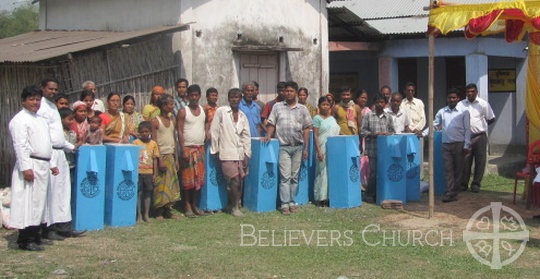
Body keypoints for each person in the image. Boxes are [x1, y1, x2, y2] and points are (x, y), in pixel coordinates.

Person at [9, 85, 59, 251]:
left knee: (40, 203)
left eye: (37, 99)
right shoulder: (19, 120)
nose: (35, 102)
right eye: (31, 99)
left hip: (42, 164)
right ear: (24, 101)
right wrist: (25, 167)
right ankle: (25, 239)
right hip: (31, 164)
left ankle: (37, 234)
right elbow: (20, 145)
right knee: (29, 203)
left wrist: (51, 164)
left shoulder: (40, 120)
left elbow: (46, 144)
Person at [37, 77, 83, 240]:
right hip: (49, 153)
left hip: (60, 152)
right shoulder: (40, 107)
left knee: (63, 191)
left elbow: (57, 134)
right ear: (42, 88)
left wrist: (71, 147)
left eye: (55, 89)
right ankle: (49, 229)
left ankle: (65, 227)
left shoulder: (52, 106)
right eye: (50, 89)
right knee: (52, 192)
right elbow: (43, 135)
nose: (53, 92)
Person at [263, 81, 312, 215]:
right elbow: (271, 123)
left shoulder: (303, 109)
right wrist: (268, 135)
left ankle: (292, 201)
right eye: (286, 91)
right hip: (283, 146)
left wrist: (306, 148)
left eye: (291, 91)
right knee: (285, 176)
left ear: (296, 92)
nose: (288, 93)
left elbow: (306, 129)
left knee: (294, 176)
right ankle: (284, 204)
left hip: (298, 146)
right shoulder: (277, 107)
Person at [210, 88, 252, 217]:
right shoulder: (222, 112)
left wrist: (247, 154)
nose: (234, 100)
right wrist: (215, 149)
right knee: (234, 180)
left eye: (237, 97)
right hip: (226, 151)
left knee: (240, 180)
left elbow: (246, 136)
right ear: (228, 99)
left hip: (239, 152)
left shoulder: (242, 116)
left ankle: (234, 204)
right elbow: (214, 131)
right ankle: (234, 208)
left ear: (241, 99)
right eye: (232, 97)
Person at [425, 88, 471, 202]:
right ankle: (450, 192)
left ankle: (455, 191)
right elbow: (434, 124)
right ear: (447, 99)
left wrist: (466, 145)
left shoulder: (464, 111)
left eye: (454, 98)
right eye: (450, 98)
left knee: (458, 169)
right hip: (446, 144)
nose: (451, 100)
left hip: (459, 144)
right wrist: (422, 133)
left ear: (458, 98)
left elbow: (468, 129)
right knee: (448, 169)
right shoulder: (442, 111)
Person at [457, 83, 496, 193]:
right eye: (468, 92)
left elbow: (491, 118)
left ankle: (476, 183)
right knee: (465, 161)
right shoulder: (461, 105)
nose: (470, 93)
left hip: (479, 136)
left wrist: (480, 126)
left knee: (480, 161)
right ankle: (464, 184)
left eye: (472, 91)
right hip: (466, 137)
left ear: (476, 92)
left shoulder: (483, 104)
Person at [177, 84, 206, 217]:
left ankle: (195, 205)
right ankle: (187, 205)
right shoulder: (183, 111)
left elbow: (205, 126)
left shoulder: (203, 110)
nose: (194, 98)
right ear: (188, 97)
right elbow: (180, 131)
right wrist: (183, 149)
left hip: (199, 148)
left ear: (199, 96)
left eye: (196, 95)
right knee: (187, 180)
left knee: (198, 180)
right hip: (188, 149)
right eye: (192, 95)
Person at [361, 93, 395, 203]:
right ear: (374, 103)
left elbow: (392, 131)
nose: (379, 104)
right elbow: (362, 131)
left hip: (385, 150)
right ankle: (370, 194)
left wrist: (387, 134)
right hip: (373, 149)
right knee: (373, 173)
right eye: (377, 102)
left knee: (384, 172)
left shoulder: (389, 117)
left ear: (385, 104)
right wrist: (373, 134)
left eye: (382, 102)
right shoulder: (368, 115)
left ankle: (382, 193)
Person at [152, 94, 181, 220]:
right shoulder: (155, 121)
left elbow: (174, 140)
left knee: (170, 184)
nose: (172, 106)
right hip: (161, 155)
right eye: (170, 104)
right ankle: (158, 211)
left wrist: (176, 158)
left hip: (170, 155)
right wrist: (159, 159)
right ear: (163, 106)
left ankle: (168, 210)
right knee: (160, 185)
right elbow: (154, 141)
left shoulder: (172, 120)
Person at [312, 96, 340, 207]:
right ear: (319, 106)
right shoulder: (317, 118)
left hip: (332, 149)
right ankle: (319, 198)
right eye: (323, 104)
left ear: (330, 106)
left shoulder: (332, 118)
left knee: (330, 172)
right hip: (321, 147)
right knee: (321, 173)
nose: (325, 107)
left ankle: (329, 197)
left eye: (327, 105)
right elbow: (315, 135)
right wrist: (318, 150)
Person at [133, 121, 160, 222]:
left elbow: (155, 159)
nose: (144, 133)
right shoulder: (135, 143)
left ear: (150, 132)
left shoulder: (153, 144)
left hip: (149, 172)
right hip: (138, 172)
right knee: (139, 193)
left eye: (146, 131)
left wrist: (155, 173)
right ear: (139, 132)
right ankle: (139, 214)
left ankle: (146, 214)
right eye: (142, 132)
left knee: (148, 193)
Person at [400, 82, 426, 178]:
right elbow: (402, 119)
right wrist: (409, 130)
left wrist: (417, 129)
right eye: (408, 90)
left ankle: (420, 177)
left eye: (412, 91)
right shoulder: (402, 103)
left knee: (418, 156)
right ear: (405, 91)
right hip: (406, 133)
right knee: (407, 156)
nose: (410, 92)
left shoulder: (419, 103)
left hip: (417, 134)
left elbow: (423, 118)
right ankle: (407, 177)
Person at [59, 108, 78, 176]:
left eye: (73, 119)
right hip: (60, 165)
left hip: (71, 165)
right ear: (61, 119)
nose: (72, 122)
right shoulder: (59, 134)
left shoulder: (73, 133)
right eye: (69, 119)